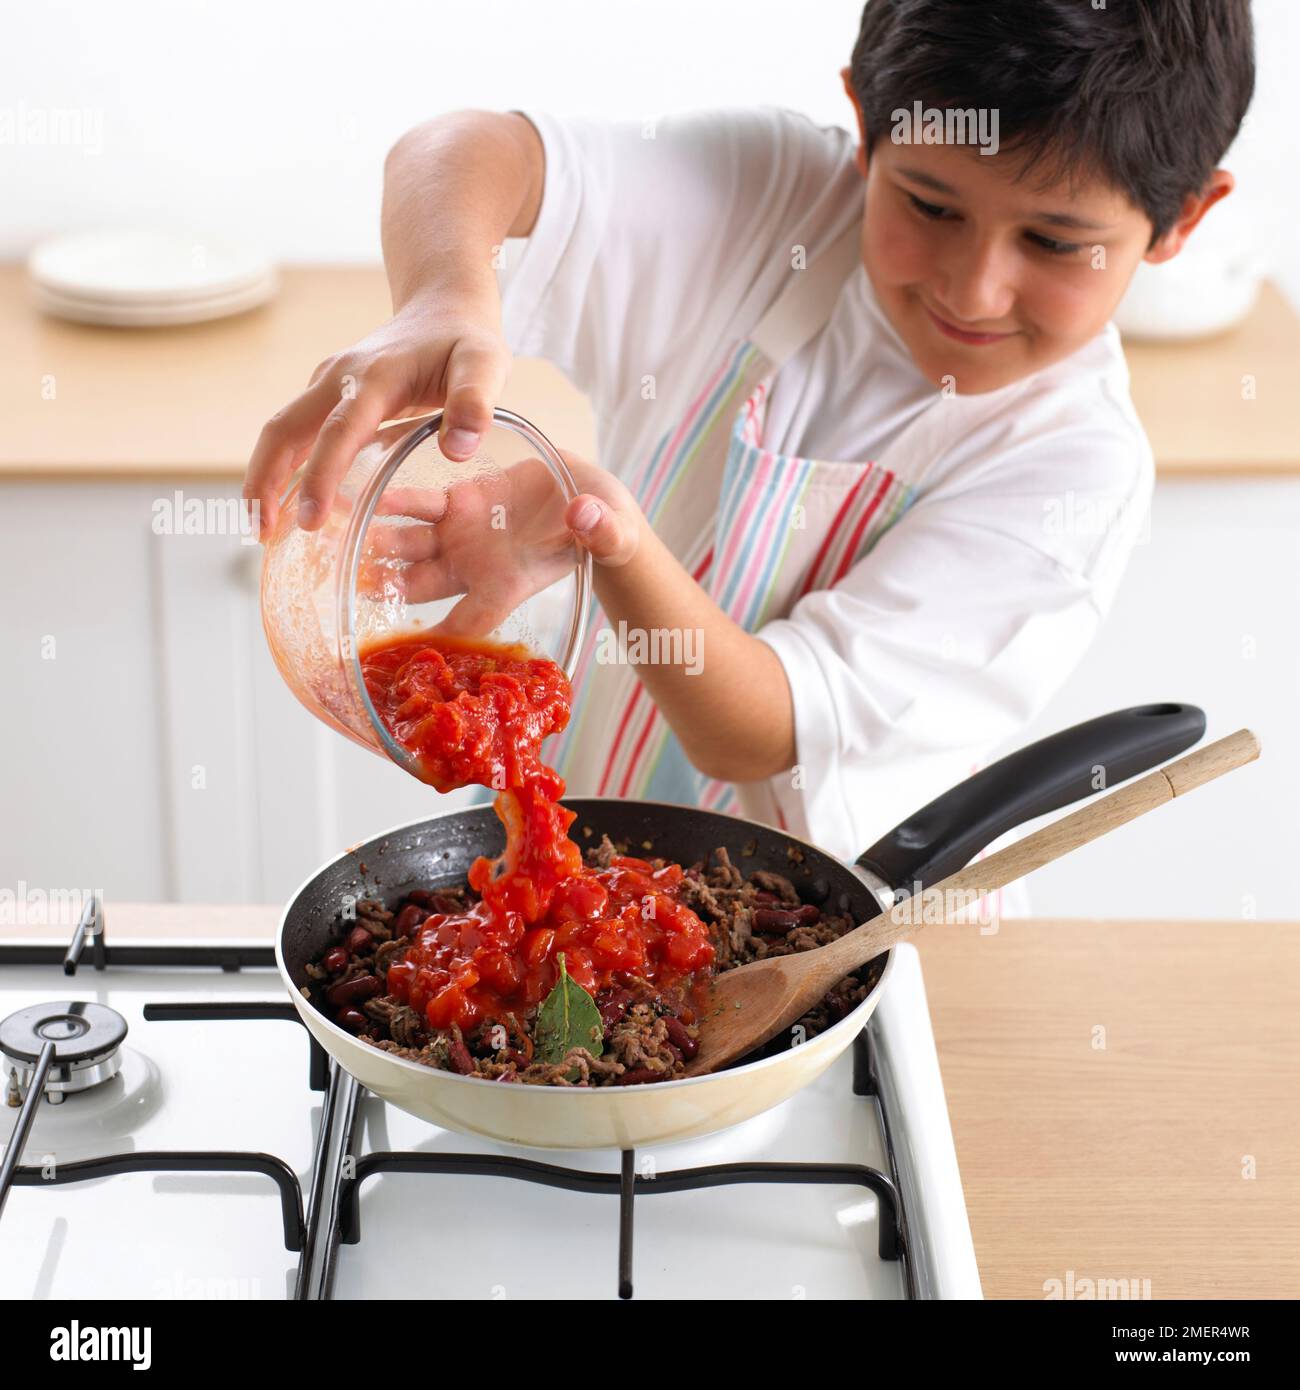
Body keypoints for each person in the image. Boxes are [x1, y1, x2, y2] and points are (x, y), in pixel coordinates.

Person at [243, 0, 1254, 880]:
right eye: (928, 204)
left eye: (1052, 241)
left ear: (1181, 218)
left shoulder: (1072, 467)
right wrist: (444, 297)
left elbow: (756, 729)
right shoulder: (780, 202)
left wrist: (609, 535)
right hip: (582, 831)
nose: (970, 285)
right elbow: (462, 149)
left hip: (839, 942)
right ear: (864, 124)